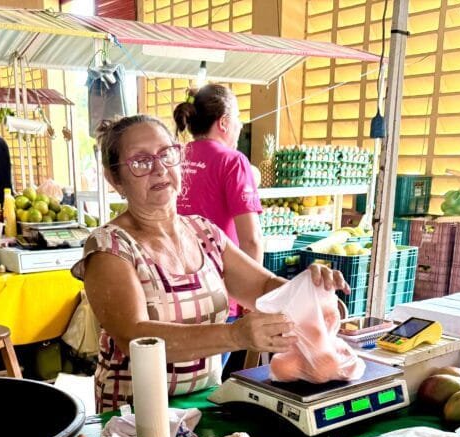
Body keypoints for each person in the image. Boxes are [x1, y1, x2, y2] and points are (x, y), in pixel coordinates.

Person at [73, 115, 347, 412]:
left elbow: (266, 288)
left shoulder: (205, 233)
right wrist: (235, 335)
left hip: (206, 407)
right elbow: (135, 336)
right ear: (114, 178)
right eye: (140, 161)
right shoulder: (109, 248)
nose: (159, 168)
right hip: (136, 418)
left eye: (167, 154)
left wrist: (312, 291)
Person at [174, 85, 264, 267]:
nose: (240, 124)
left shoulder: (174, 157)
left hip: (181, 278)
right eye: (237, 117)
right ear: (223, 122)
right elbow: (251, 241)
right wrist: (253, 291)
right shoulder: (232, 161)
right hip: (221, 282)